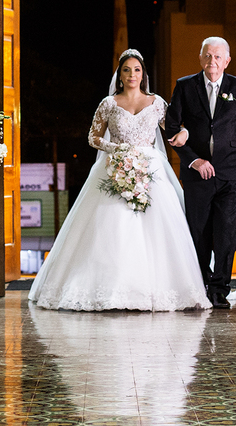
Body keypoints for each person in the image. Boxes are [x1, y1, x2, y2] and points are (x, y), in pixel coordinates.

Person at [28, 49, 211, 312]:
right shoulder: (109, 103)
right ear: (120, 75)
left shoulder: (157, 102)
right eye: (127, 70)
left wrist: (183, 131)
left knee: (160, 228)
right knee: (110, 225)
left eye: (137, 69)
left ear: (143, 74)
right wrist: (117, 150)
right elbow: (93, 138)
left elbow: (172, 128)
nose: (132, 74)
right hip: (114, 165)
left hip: (151, 169)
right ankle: (106, 287)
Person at [164, 37, 236, 309]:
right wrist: (193, 160)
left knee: (226, 232)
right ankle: (200, 284)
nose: (212, 62)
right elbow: (171, 128)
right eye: (208, 56)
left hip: (231, 171)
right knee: (198, 232)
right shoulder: (185, 86)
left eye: (218, 57)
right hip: (197, 174)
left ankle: (220, 289)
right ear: (200, 58)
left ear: (227, 61)